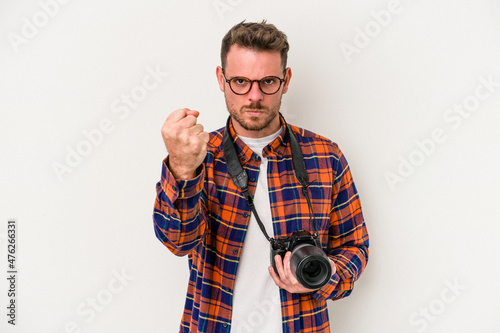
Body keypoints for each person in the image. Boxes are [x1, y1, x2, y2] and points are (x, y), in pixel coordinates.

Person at [153, 20, 369, 333]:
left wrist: (325, 274)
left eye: (267, 81)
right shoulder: (198, 154)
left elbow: (355, 246)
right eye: (240, 81)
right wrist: (182, 167)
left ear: (285, 80)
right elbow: (177, 240)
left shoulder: (326, 156)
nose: (254, 96)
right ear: (221, 78)